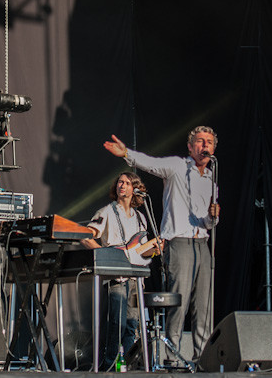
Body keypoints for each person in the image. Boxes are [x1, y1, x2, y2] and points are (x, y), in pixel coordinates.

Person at [104, 127, 219, 361]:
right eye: (199, 142)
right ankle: (172, 357)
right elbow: (151, 163)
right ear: (190, 146)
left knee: (204, 305)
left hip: (203, 243)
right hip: (179, 242)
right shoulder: (178, 166)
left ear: (213, 148)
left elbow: (208, 222)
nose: (204, 146)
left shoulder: (211, 180)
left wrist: (213, 216)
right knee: (180, 301)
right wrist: (126, 153)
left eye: (209, 142)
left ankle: (202, 358)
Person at [82, 172, 162, 370]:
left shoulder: (141, 218)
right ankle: (108, 366)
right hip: (116, 277)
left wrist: (155, 250)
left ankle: (123, 363)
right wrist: (104, 255)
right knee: (117, 324)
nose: (122, 185)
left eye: (127, 183)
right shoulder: (107, 211)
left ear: (135, 188)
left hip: (136, 278)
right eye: (120, 182)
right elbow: (86, 236)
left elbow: (142, 252)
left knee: (132, 325)